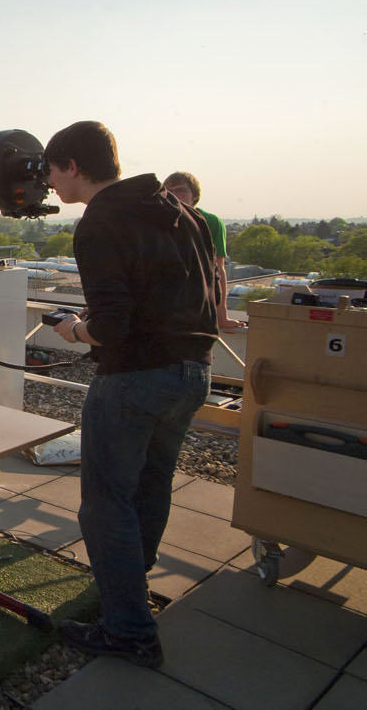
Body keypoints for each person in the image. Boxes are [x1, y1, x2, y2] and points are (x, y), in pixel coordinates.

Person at [44, 121, 218, 668]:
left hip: (134, 377)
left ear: (73, 166)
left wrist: (76, 330)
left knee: (104, 503)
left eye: (51, 170)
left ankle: (128, 630)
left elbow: (113, 324)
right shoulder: (181, 211)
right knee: (152, 482)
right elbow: (207, 293)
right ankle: (130, 591)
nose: (48, 182)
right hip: (194, 371)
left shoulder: (99, 221)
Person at [163, 172, 243, 330]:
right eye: (167, 191)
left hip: (198, 306)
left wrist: (222, 316)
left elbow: (218, 268)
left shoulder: (210, 222)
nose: (173, 195)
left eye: (180, 190)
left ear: (195, 196)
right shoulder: (158, 222)